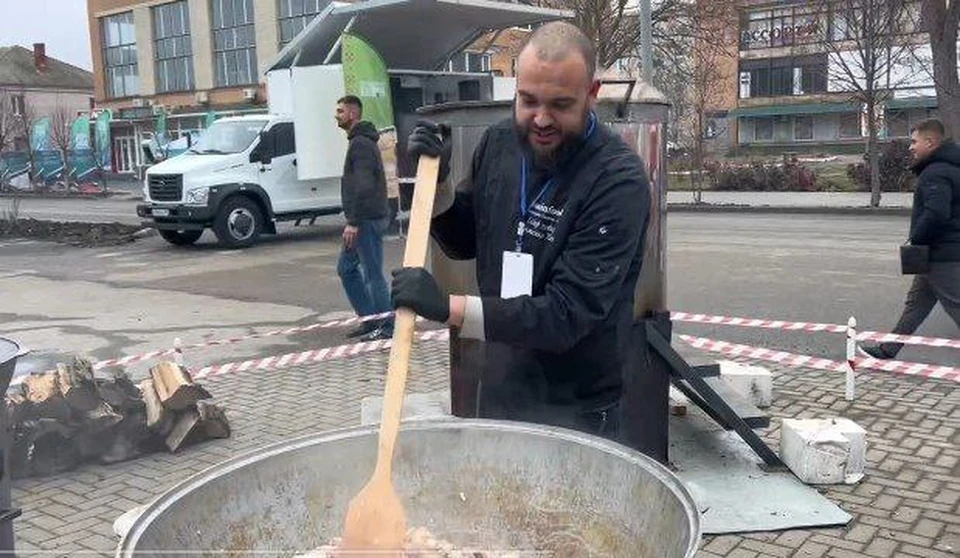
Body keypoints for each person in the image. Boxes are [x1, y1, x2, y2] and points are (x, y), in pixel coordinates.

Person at [393, 22, 653, 448]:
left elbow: (565, 316)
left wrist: (447, 307)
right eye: (528, 101)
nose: (541, 119)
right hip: (499, 384)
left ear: (592, 94)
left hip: (578, 408)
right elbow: (463, 239)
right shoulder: (499, 144)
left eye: (560, 104)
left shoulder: (617, 181)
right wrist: (435, 183)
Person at [859, 118, 960, 359]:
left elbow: (936, 213)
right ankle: (888, 349)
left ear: (930, 141)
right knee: (916, 305)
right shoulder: (950, 168)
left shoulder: (936, 172)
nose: (911, 147)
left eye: (914, 142)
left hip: (941, 256)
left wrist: (916, 237)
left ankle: (888, 349)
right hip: (934, 254)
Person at [334, 95, 394, 341]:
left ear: (352, 114)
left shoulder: (360, 143)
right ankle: (370, 319)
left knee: (372, 274)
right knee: (346, 268)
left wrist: (353, 222)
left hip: (366, 219)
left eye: (340, 111)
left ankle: (388, 326)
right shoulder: (360, 141)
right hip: (365, 218)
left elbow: (364, 185)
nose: (336, 115)